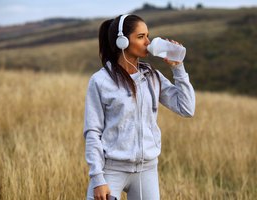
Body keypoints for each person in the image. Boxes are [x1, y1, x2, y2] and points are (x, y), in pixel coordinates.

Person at [83, 14, 195, 200]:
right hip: (112, 170)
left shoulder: (152, 76)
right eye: (141, 37)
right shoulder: (100, 81)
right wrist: (97, 179)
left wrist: (178, 68)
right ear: (122, 41)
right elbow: (93, 132)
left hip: (146, 170)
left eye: (148, 36)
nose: (148, 42)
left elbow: (187, 108)